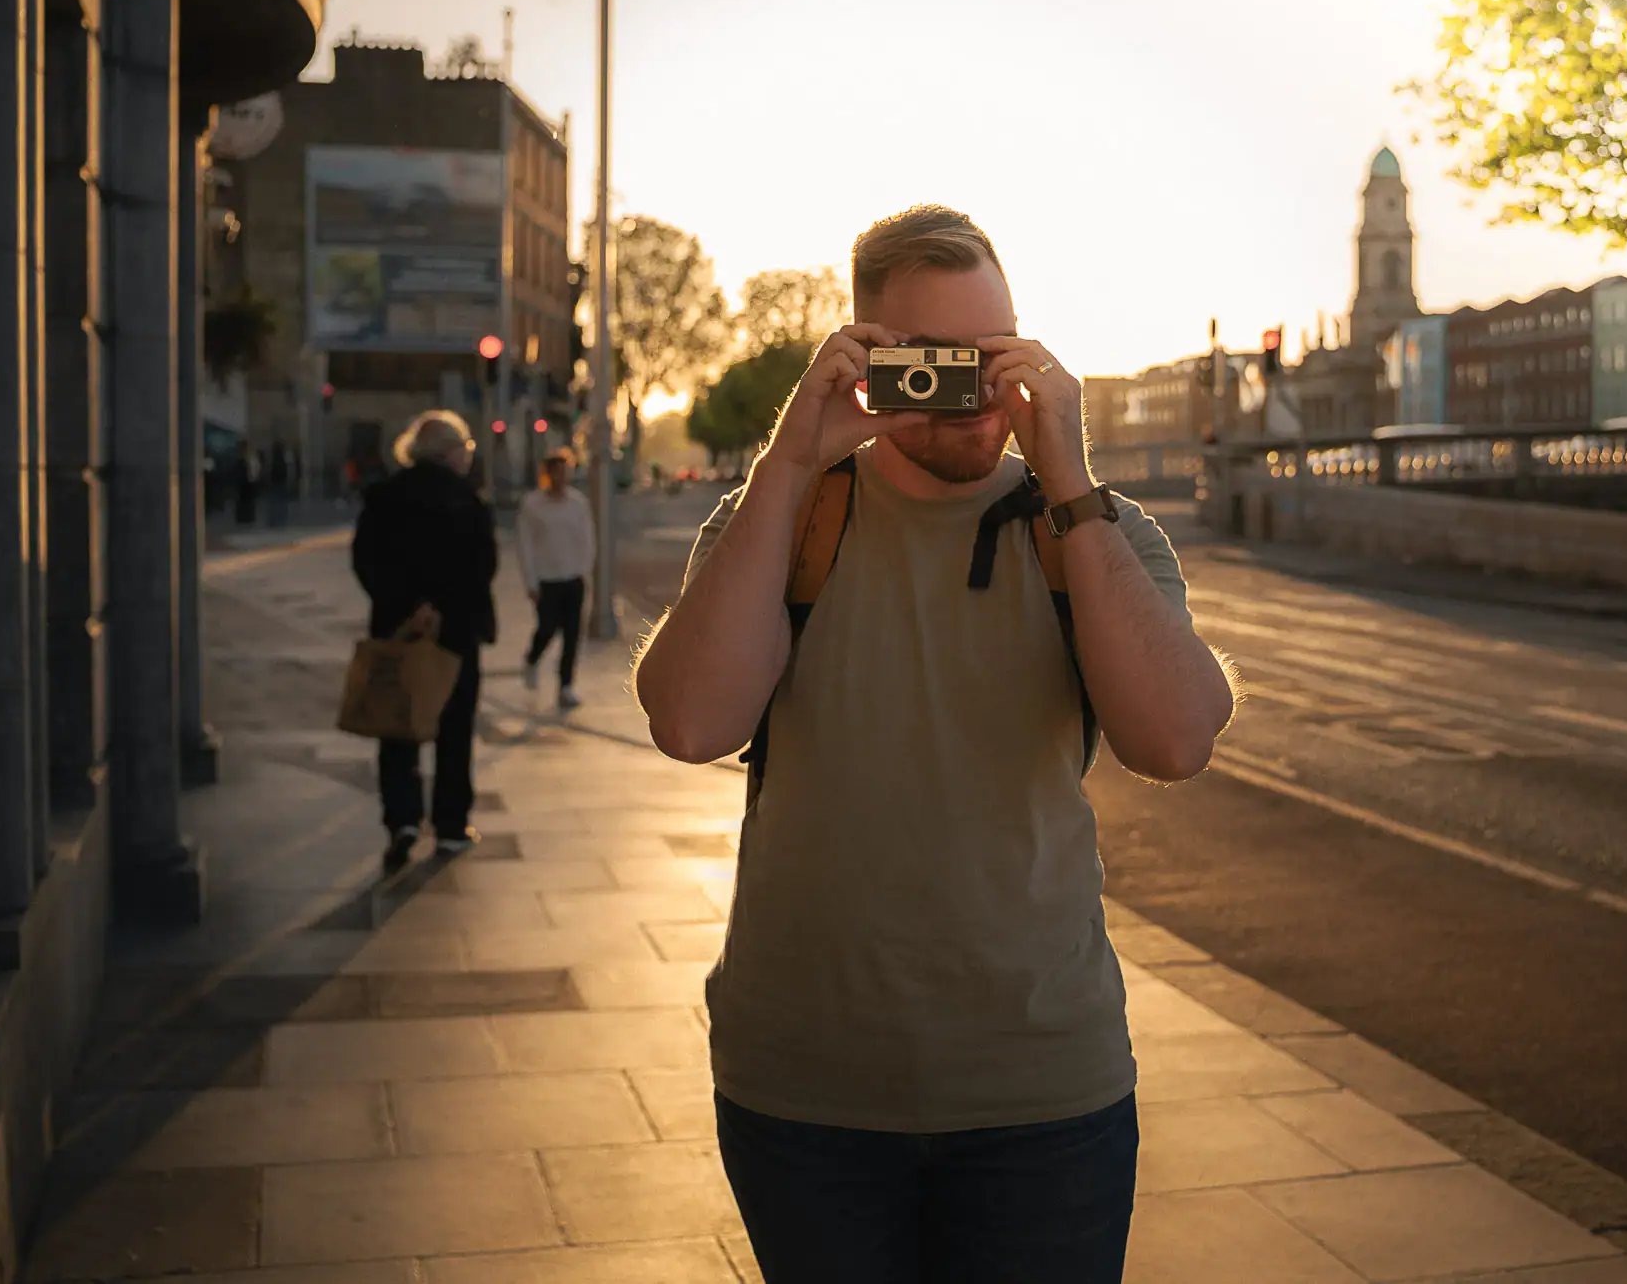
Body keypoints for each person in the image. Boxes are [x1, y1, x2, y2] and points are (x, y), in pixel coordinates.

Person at [633, 205, 1235, 1282]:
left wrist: (1070, 482)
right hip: (805, 1093)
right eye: (930, 361)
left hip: (1043, 1096)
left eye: (990, 352)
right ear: (864, 361)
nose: (968, 391)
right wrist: (790, 456)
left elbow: (1176, 739)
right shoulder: (783, 518)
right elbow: (690, 723)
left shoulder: (1099, 530)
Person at [351, 409, 499, 871]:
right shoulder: (468, 501)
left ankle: (403, 820)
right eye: (465, 450)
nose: (466, 458)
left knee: (396, 723)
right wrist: (440, 607)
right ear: (451, 452)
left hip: (397, 630)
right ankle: (451, 825)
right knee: (454, 730)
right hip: (453, 634)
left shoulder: (383, 496)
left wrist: (407, 605)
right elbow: (481, 567)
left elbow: (366, 560)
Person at [517, 448, 594, 706]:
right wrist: (530, 581)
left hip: (573, 577)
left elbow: (587, 540)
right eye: (557, 472)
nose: (562, 477)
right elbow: (525, 545)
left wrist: (584, 571)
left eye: (566, 472)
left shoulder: (578, 503)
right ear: (548, 474)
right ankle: (531, 658)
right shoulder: (532, 505)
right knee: (547, 627)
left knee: (572, 634)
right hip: (546, 579)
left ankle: (566, 685)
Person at [265, 440, 295, 528]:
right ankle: (280, 520)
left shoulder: (273, 459)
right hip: (281, 482)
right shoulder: (283, 459)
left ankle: (274, 521)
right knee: (281, 503)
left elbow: (270, 472)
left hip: (275, 483)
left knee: (275, 503)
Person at [233, 439, 262, 526]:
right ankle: (247, 518)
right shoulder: (249, 458)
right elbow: (255, 470)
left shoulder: (244, 458)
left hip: (246, 483)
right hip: (248, 482)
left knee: (246, 501)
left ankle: (245, 518)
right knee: (247, 501)